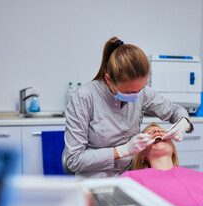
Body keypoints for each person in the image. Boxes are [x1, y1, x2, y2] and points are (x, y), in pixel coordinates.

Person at [64, 36, 193, 178]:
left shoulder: (143, 93)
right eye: (129, 92)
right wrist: (122, 151)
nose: (137, 96)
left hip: (131, 179)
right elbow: (73, 160)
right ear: (109, 79)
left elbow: (175, 110)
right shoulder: (84, 98)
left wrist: (183, 122)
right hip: (95, 183)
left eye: (141, 88)